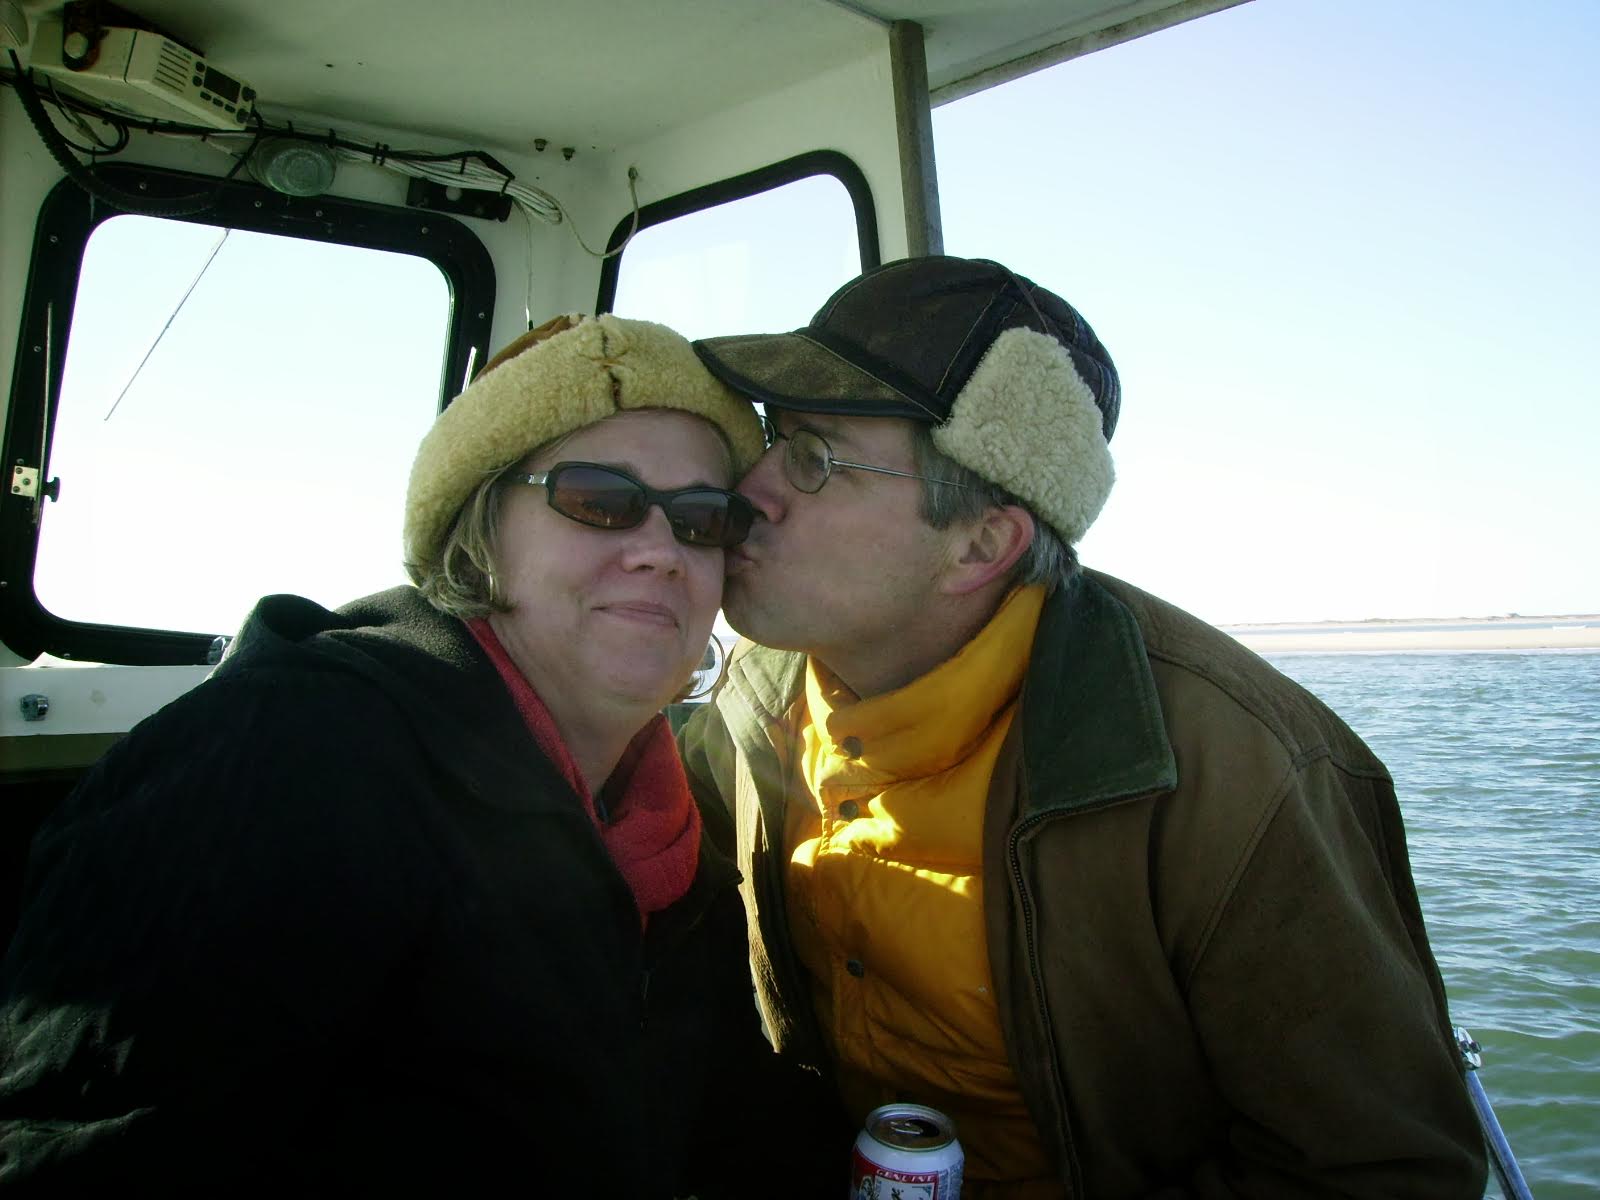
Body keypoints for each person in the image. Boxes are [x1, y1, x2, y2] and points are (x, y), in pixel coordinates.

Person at [679, 256, 1489, 1198]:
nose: (752, 486)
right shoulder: (750, 706)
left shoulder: (1233, 773)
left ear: (980, 546)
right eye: (775, 436)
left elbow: (1385, 1172)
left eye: (816, 458)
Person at [0, 313, 833, 1195]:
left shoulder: (663, 824)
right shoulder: (288, 757)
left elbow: (723, 1115)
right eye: (600, 501)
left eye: (703, 519)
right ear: (478, 529)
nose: (660, 550)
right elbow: (83, 1152)